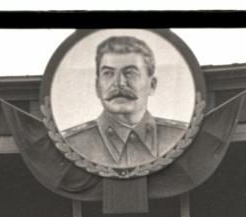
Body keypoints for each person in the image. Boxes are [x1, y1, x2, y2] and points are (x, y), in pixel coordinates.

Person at [60, 35, 187, 168]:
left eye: (130, 73)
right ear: (97, 87)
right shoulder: (72, 143)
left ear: (152, 85)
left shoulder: (179, 137)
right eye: (108, 73)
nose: (119, 83)